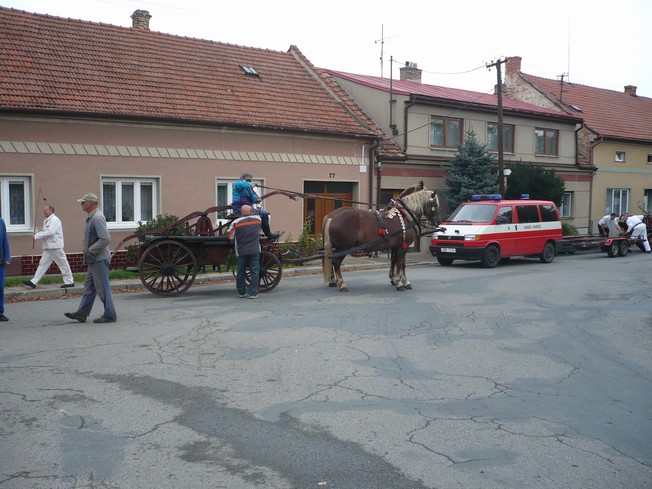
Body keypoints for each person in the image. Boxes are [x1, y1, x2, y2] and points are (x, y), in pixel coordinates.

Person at [64, 193, 118, 323]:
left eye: (82, 202)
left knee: (102, 288)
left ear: (89, 203)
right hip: (94, 259)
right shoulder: (93, 217)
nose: (81, 205)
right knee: (89, 287)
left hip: (98, 258)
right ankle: (82, 313)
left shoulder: (97, 218)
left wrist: (91, 251)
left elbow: (105, 239)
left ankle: (110, 314)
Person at [23, 205, 75, 289]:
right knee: (42, 264)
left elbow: (50, 232)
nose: (44, 212)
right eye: (43, 210)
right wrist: (38, 235)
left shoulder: (55, 220)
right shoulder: (46, 221)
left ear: (51, 211)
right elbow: (45, 231)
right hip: (48, 247)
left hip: (55, 247)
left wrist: (37, 236)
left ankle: (69, 282)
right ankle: (34, 281)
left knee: (63, 264)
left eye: (45, 210)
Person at [230, 173, 280, 240]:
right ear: (242, 178)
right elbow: (243, 184)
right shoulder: (237, 184)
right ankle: (264, 233)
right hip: (240, 209)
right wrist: (251, 185)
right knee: (259, 216)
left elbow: (253, 197)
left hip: (249, 208)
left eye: (250, 181)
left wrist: (257, 199)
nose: (249, 182)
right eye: (247, 180)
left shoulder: (249, 189)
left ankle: (267, 234)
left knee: (265, 214)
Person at [227, 204, 261, 299]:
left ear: (241, 213)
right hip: (255, 249)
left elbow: (230, 236)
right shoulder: (258, 219)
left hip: (241, 251)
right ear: (251, 212)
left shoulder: (236, 222)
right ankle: (253, 293)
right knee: (254, 271)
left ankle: (241, 292)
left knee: (241, 271)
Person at [0, 217, 10, 321]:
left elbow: (4, 240)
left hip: (0, 261)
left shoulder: (1, 222)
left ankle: (0, 312)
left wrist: (7, 257)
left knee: (0, 288)